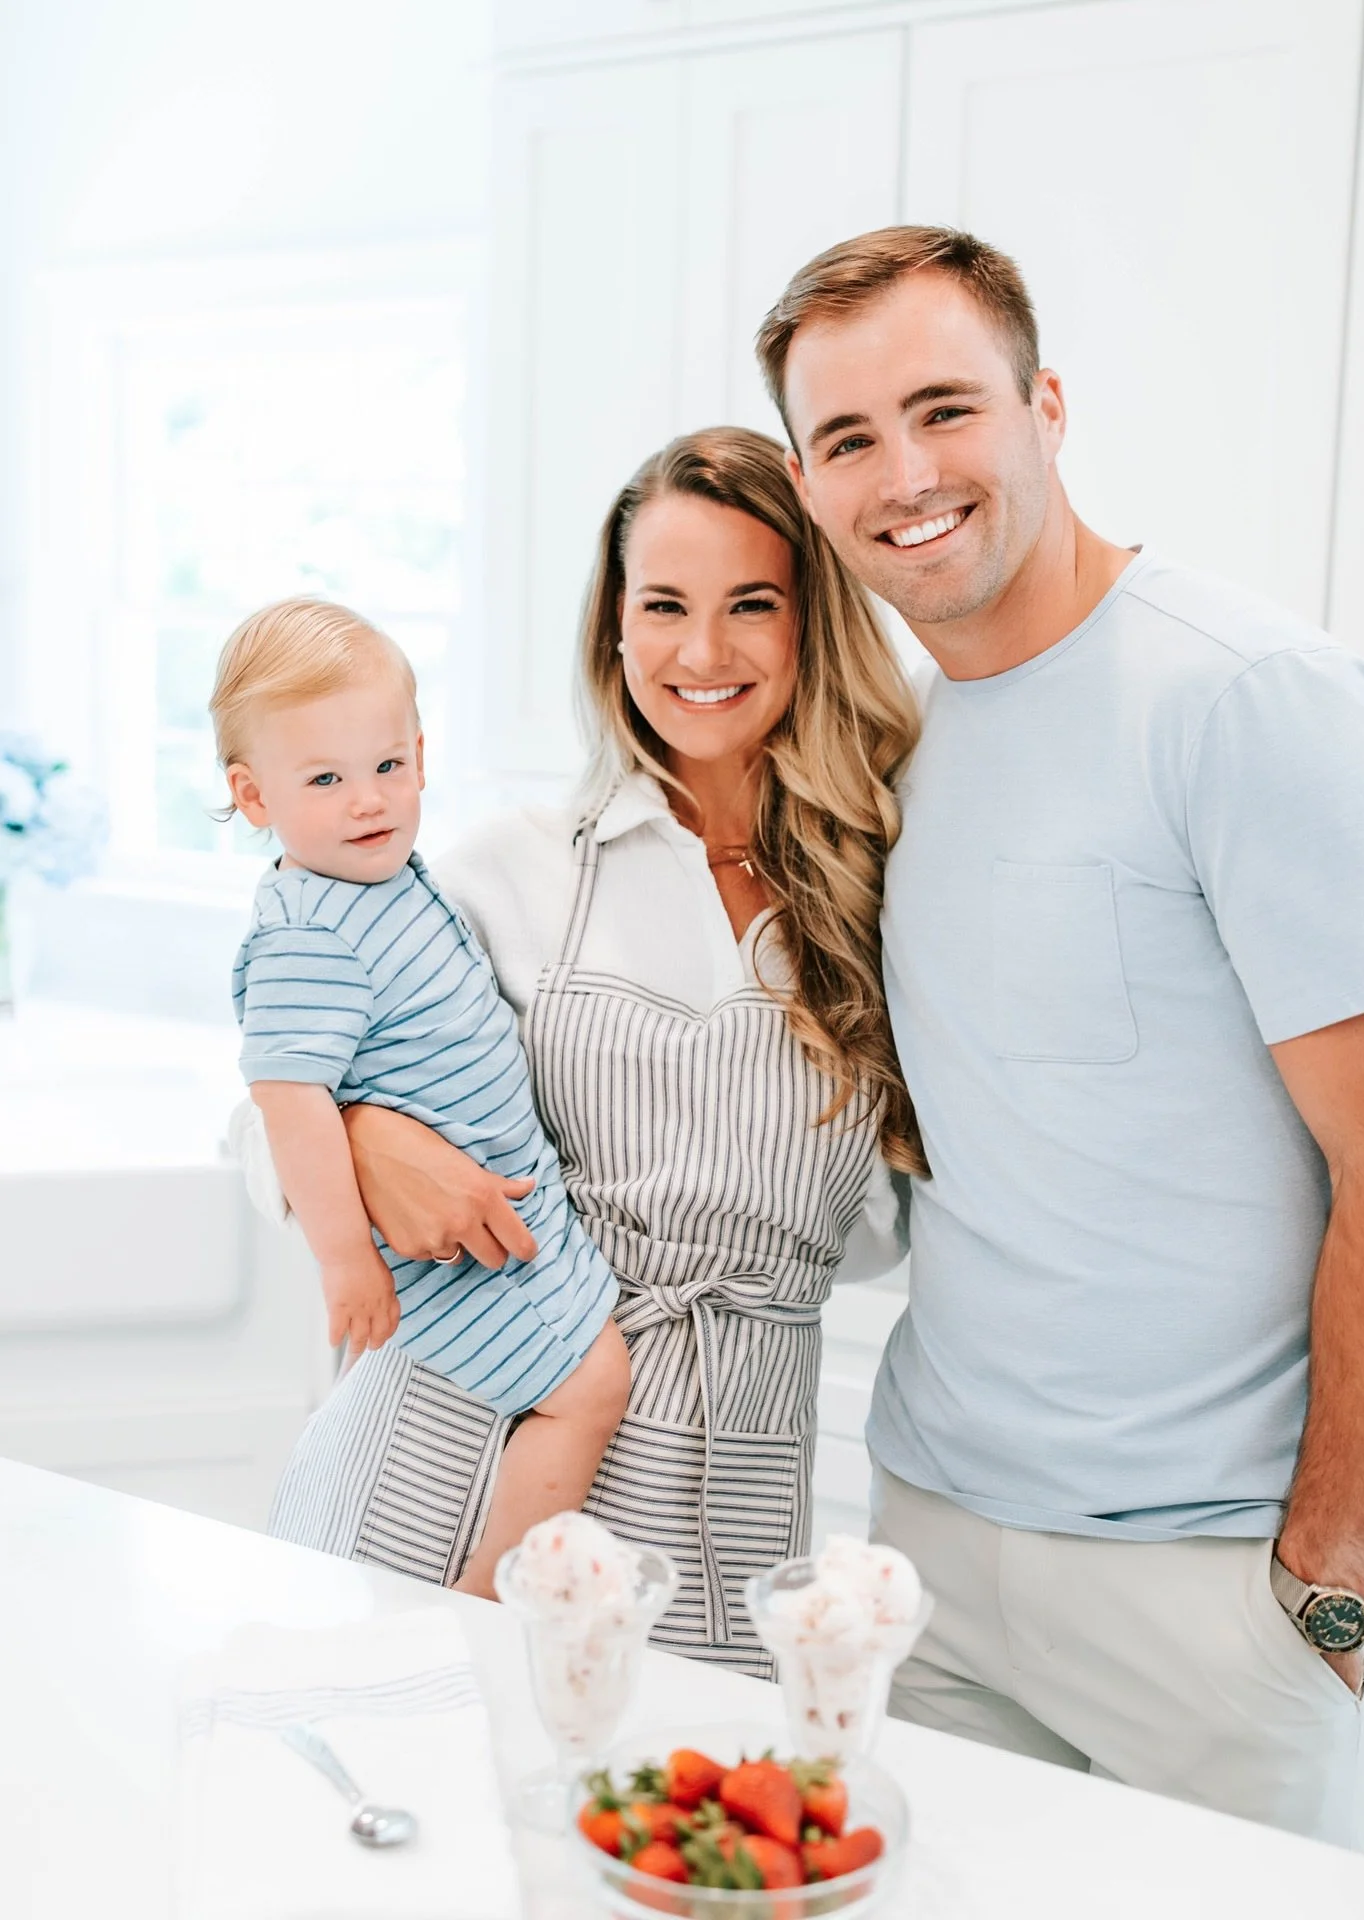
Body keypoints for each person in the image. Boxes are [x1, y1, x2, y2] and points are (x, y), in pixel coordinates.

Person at [755, 224, 1364, 1847]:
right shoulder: (905, 750)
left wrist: (1332, 1566)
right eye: (848, 438)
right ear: (808, 479)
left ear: (1045, 404)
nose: (903, 472)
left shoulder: (1253, 702)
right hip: (933, 1541)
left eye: (946, 408)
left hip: (1216, 1589)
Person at [238, 428, 924, 1672]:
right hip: (450, 1469)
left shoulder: (892, 896)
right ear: (615, 628)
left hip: (727, 1509)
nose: (700, 652)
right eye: (662, 604)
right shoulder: (508, 867)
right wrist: (358, 1137)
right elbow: (260, 1107)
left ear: (810, 626)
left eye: (751, 605)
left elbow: (908, 1217)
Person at [211, 600, 630, 1598]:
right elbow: (285, 1097)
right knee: (592, 1388)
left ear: (422, 754)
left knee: (590, 1376)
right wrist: (346, 1256)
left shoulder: (383, 881)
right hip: (447, 1260)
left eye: (387, 766)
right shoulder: (309, 931)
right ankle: (488, 1600)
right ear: (253, 795)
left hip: (512, 1218)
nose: (368, 801)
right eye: (325, 779)